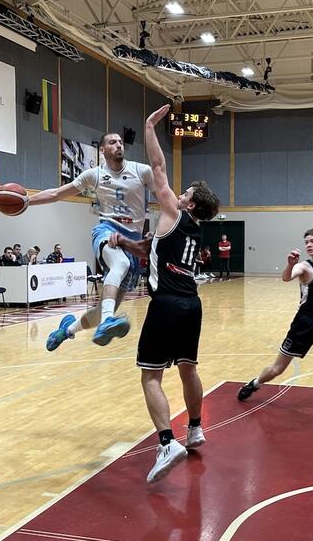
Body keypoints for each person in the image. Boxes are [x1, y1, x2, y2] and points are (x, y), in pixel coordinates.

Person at [110, 104, 220, 483]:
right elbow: (152, 249)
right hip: (192, 304)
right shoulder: (195, 230)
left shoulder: (174, 212)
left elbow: (158, 168)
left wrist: (149, 127)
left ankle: (166, 443)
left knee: (150, 377)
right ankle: (195, 428)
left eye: (184, 191)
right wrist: (130, 244)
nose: (178, 191)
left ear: (189, 202)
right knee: (188, 368)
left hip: (167, 304)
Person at [25, 130, 156, 349]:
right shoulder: (93, 175)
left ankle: (66, 330)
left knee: (102, 310)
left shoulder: (141, 171)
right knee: (120, 263)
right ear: (102, 150)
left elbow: (165, 197)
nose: (119, 145)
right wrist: (28, 201)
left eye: (120, 142)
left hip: (133, 239)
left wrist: (158, 231)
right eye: (113, 142)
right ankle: (107, 322)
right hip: (107, 230)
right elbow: (57, 193)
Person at [237, 229, 313, 423]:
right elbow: (286, 277)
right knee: (277, 369)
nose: (309, 245)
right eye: (306, 242)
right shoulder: (304, 267)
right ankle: (255, 383)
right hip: (303, 324)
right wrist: (290, 265)